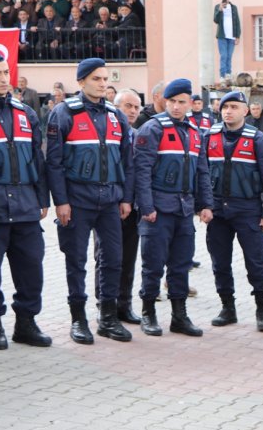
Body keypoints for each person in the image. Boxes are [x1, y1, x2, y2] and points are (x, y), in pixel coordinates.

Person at [45, 57, 135, 345]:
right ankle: (78, 319)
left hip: (110, 201)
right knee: (76, 261)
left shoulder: (115, 115)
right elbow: (54, 162)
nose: (103, 83)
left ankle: (107, 318)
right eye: (96, 78)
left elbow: (127, 162)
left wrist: (126, 198)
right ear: (81, 81)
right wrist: (61, 201)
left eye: (106, 78)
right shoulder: (63, 113)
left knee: (113, 260)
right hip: (77, 201)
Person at [133, 78, 213, 338]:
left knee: (181, 265)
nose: (177, 107)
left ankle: (179, 316)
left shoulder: (194, 132)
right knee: (153, 265)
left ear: (190, 103)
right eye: (172, 102)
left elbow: (202, 172)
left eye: (182, 102)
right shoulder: (151, 129)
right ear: (164, 102)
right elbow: (141, 171)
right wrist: (146, 206)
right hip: (157, 209)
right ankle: (148, 313)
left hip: (183, 210)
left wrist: (205, 205)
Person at [0, 49, 52, 351]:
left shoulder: (24, 112)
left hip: (26, 206)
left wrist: (42, 199)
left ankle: (26, 324)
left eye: (5, 72)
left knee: (32, 269)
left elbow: (38, 161)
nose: (4, 79)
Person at [203, 90, 263, 332]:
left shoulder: (258, 139)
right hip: (217, 212)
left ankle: (262, 309)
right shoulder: (209, 137)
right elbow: (201, 175)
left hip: (248, 210)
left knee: (255, 263)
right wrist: (203, 205)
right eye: (224, 107)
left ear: (245, 110)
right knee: (219, 263)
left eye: (233, 107)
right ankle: (227, 308)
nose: (228, 111)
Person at [91, 88, 142, 328]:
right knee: (106, 257)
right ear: (116, 107)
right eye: (127, 106)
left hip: (131, 206)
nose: (132, 111)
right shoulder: (106, 135)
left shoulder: (139, 135)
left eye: (136, 107)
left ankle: (124, 305)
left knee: (128, 257)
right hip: (107, 203)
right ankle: (105, 304)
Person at [213, 0, 240, 79]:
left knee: (229, 57)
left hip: (232, 36)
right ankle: (222, 76)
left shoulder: (234, 7)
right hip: (222, 36)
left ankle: (228, 76)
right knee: (223, 56)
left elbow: (237, 22)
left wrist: (237, 36)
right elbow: (216, 20)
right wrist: (220, 10)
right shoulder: (217, 7)